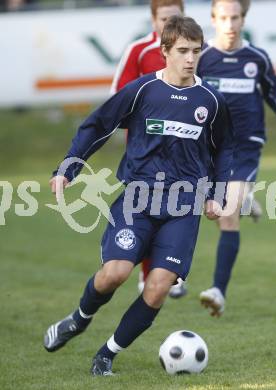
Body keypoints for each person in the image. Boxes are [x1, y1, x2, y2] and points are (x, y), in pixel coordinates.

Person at [44, 15, 234, 376]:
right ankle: (79, 318)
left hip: (183, 207)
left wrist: (215, 193)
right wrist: (68, 168)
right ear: (165, 51)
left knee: (159, 285)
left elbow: (224, 149)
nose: (190, 58)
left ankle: (107, 353)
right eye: (182, 51)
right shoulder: (143, 90)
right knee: (113, 274)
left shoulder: (211, 101)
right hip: (138, 200)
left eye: (196, 51)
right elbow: (98, 126)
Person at [197, 0, 276, 317]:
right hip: (210, 146)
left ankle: (218, 290)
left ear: (244, 20)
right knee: (214, 213)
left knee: (227, 214)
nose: (230, 24)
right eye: (224, 18)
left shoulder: (256, 58)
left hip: (245, 145)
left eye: (235, 18)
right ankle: (244, 199)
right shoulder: (200, 58)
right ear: (213, 20)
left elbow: (274, 93)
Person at [111, 0, 188, 298]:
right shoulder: (138, 51)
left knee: (178, 208)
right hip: (145, 151)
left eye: (176, 19)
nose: (171, 25)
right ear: (153, 20)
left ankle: (168, 270)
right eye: (165, 19)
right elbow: (118, 98)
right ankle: (147, 276)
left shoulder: (193, 52)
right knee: (147, 210)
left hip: (183, 151)